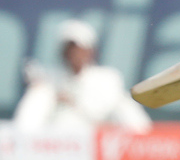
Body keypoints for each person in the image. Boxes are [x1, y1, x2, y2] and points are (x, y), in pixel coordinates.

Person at [13, 19, 151, 133]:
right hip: (56, 147)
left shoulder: (107, 79)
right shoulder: (47, 79)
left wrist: (71, 100)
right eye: (70, 47)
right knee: (39, 93)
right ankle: (20, 145)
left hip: (96, 146)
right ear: (62, 51)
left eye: (79, 47)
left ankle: (150, 146)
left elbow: (126, 115)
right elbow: (28, 117)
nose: (74, 53)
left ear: (91, 50)